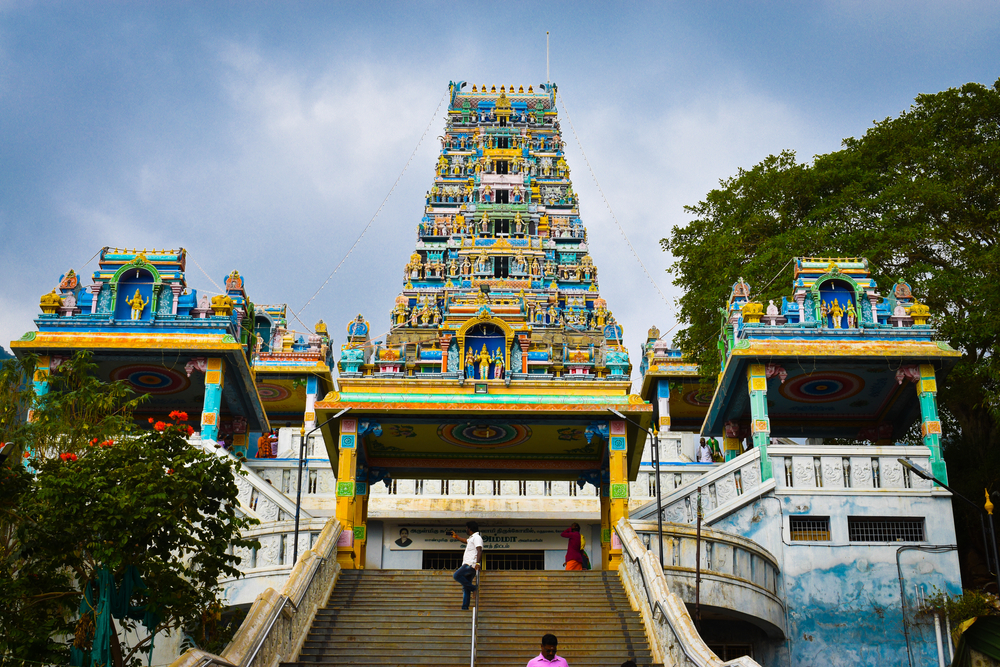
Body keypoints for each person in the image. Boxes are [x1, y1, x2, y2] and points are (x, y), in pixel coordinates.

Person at [450, 521, 483, 610]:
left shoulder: (477, 537)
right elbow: (465, 541)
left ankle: (474, 588)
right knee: (466, 587)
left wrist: (477, 563)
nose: (466, 530)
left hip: (470, 565)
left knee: (456, 575)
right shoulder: (472, 538)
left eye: (466, 528)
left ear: (470, 529)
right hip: (469, 564)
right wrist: (456, 537)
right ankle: (465, 607)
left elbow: (479, 550)